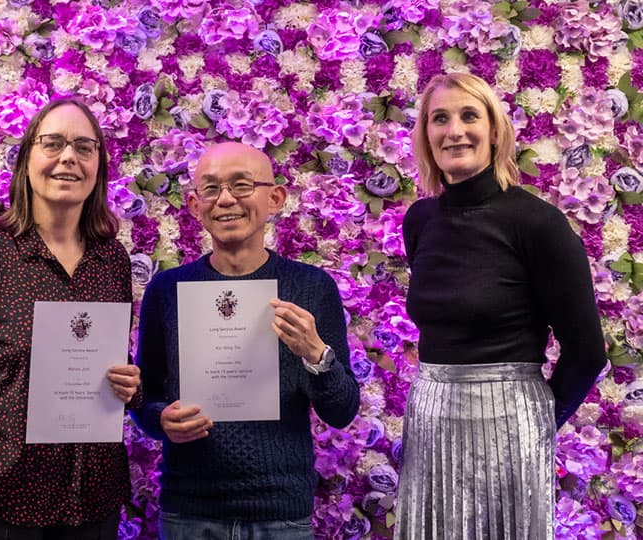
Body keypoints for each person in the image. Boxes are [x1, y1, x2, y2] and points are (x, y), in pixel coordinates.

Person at [396, 72, 607, 538]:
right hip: (430, 417)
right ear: (426, 135)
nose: (455, 131)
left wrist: (534, 425)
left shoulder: (538, 224)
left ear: (495, 130)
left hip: (510, 421)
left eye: (470, 116)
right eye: (440, 119)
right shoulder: (419, 220)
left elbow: (588, 351)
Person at [0, 97, 141, 540]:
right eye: (54, 143)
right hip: (6, 496)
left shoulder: (113, 260)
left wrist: (131, 386)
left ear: (99, 165)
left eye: (85, 147)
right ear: (27, 160)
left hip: (91, 494)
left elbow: (111, 369)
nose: (69, 157)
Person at [131, 141, 360, 539]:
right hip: (189, 510)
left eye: (241, 185)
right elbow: (143, 398)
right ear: (193, 205)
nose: (225, 200)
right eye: (211, 189)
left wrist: (316, 355)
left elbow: (342, 411)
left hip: (281, 513)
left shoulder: (311, 287)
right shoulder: (167, 290)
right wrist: (159, 420)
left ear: (274, 199)